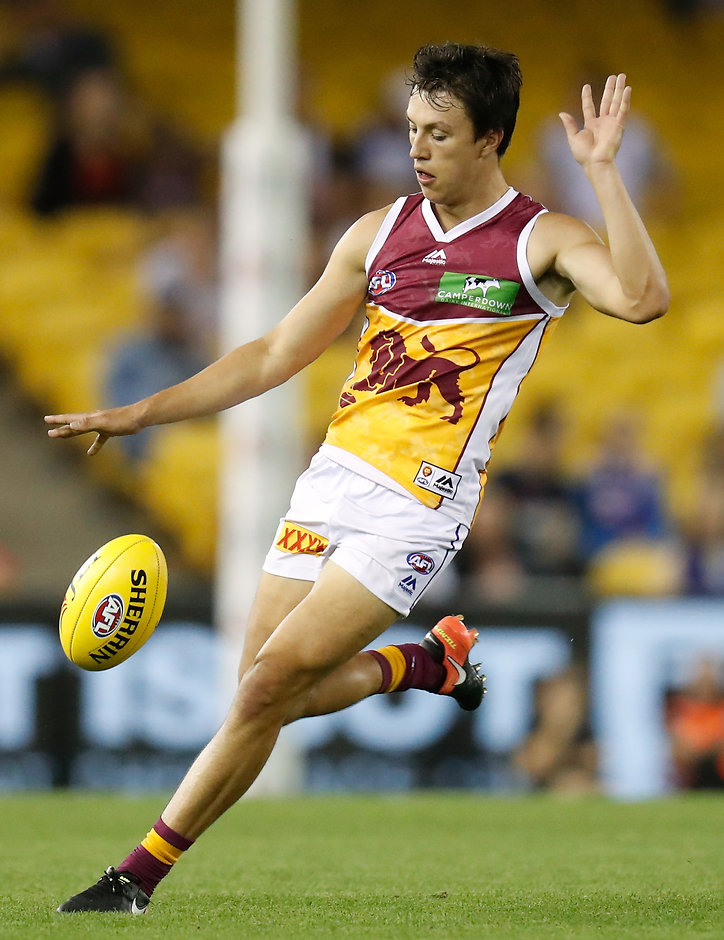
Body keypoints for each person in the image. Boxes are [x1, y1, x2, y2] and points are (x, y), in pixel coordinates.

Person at [45, 42, 669, 914]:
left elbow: (642, 299)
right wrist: (139, 412)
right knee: (259, 693)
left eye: (440, 134)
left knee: (266, 688)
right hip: (331, 479)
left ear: (489, 139)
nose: (417, 148)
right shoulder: (376, 233)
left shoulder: (541, 241)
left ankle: (133, 878)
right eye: (412, 129)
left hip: (418, 504)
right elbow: (271, 353)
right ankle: (421, 667)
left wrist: (602, 173)